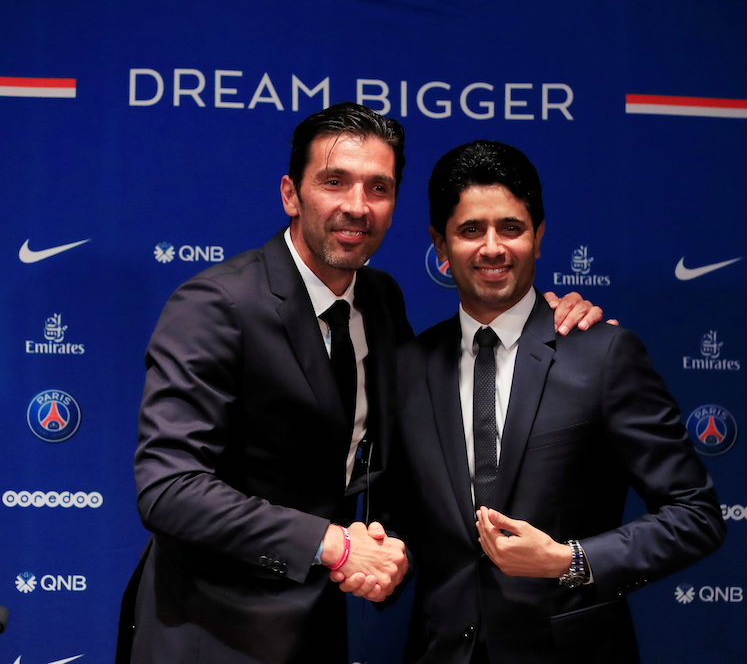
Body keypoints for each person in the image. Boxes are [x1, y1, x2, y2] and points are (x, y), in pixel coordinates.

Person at [117, 104, 603, 664]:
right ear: (290, 195)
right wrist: (333, 544)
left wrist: (551, 321)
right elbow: (169, 488)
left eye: (379, 187)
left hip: (322, 623)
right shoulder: (216, 305)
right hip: (209, 629)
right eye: (334, 182)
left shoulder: (380, 300)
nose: (356, 206)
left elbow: (423, 414)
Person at [378, 140, 726, 663]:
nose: (492, 247)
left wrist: (571, 559)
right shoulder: (407, 367)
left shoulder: (603, 354)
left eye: (511, 228)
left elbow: (696, 515)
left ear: (538, 237)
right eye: (471, 230)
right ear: (440, 245)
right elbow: (395, 514)